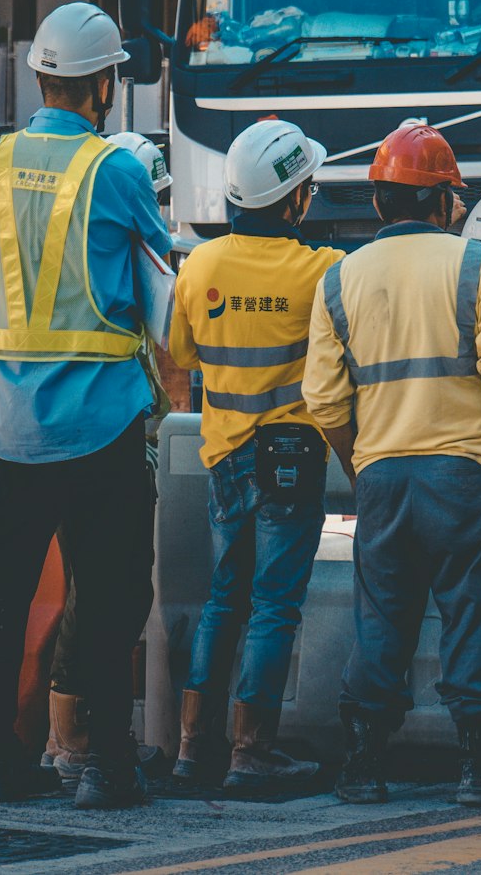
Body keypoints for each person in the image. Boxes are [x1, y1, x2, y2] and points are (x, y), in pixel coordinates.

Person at [303, 123, 481, 809]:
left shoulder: (339, 277)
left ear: (378, 203)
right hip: (466, 479)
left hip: (386, 479)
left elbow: (322, 398)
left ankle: (363, 765)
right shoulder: (473, 264)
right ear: (445, 200)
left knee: (381, 620)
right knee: (471, 617)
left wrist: (364, 465)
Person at [0, 2, 175, 810]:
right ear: (104, 83)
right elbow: (160, 271)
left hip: (11, 428)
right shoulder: (114, 169)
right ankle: (105, 764)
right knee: (114, 592)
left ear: (42, 76)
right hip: (100, 425)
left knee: (5, 595)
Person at [169, 119, 343, 789]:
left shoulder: (201, 266)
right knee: (273, 605)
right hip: (289, 459)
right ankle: (252, 750)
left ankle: (193, 749)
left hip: (224, 458)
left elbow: (182, 355)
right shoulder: (324, 271)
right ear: (294, 198)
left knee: (223, 602)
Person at [40, 131, 174, 783]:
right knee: (95, 596)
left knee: (117, 593)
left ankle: (91, 737)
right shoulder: (101, 287)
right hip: (97, 445)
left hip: (119, 443)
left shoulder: (118, 281)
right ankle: (69, 743)